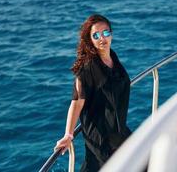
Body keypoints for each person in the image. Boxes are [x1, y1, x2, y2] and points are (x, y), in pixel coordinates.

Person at [54, 14, 132, 172]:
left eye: (105, 33)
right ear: (90, 40)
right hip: (101, 139)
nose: (102, 39)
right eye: (96, 35)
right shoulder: (87, 70)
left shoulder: (113, 58)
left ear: (112, 33)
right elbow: (76, 104)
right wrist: (68, 135)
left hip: (119, 131)